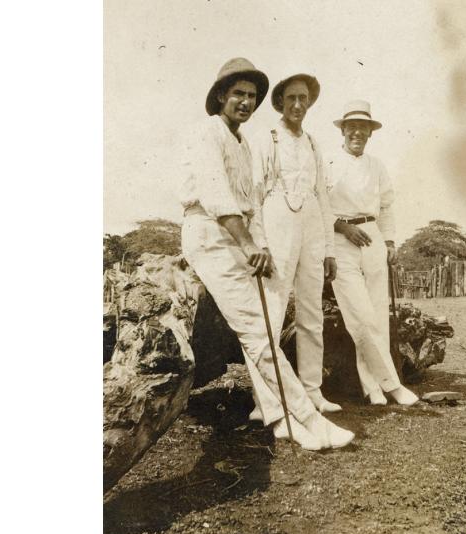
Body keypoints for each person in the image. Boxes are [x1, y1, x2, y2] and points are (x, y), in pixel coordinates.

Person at [179, 58, 354, 450]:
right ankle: (303, 420)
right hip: (208, 234)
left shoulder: (241, 142)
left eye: (252, 96)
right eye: (238, 93)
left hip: (236, 236)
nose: (245, 102)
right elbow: (216, 195)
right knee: (259, 331)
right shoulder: (206, 133)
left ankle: (283, 416)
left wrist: (259, 244)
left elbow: (251, 204)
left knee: (262, 329)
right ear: (221, 95)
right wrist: (247, 244)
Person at [246, 72, 342, 423]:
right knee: (271, 311)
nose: (298, 105)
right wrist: (260, 243)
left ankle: (312, 390)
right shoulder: (266, 140)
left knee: (311, 310)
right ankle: (266, 398)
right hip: (277, 221)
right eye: (291, 99)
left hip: (312, 225)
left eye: (304, 99)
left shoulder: (314, 144)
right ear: (281, 103)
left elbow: (323, 197)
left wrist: (329, 248)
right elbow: (254, 195)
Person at [326, 100, 418, 406]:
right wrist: (341, 226)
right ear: (343, 130)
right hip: (341, 240)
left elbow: (388, 205)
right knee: (360, 317)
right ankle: (392, 385)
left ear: (370, 133)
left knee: (377, 316)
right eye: (351, 127)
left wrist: (390, 242)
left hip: (373, 237)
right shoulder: (326, 161)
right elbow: (316, 205)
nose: (357, 133)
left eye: (363, 129)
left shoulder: (376, 165)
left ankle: (372, 387)